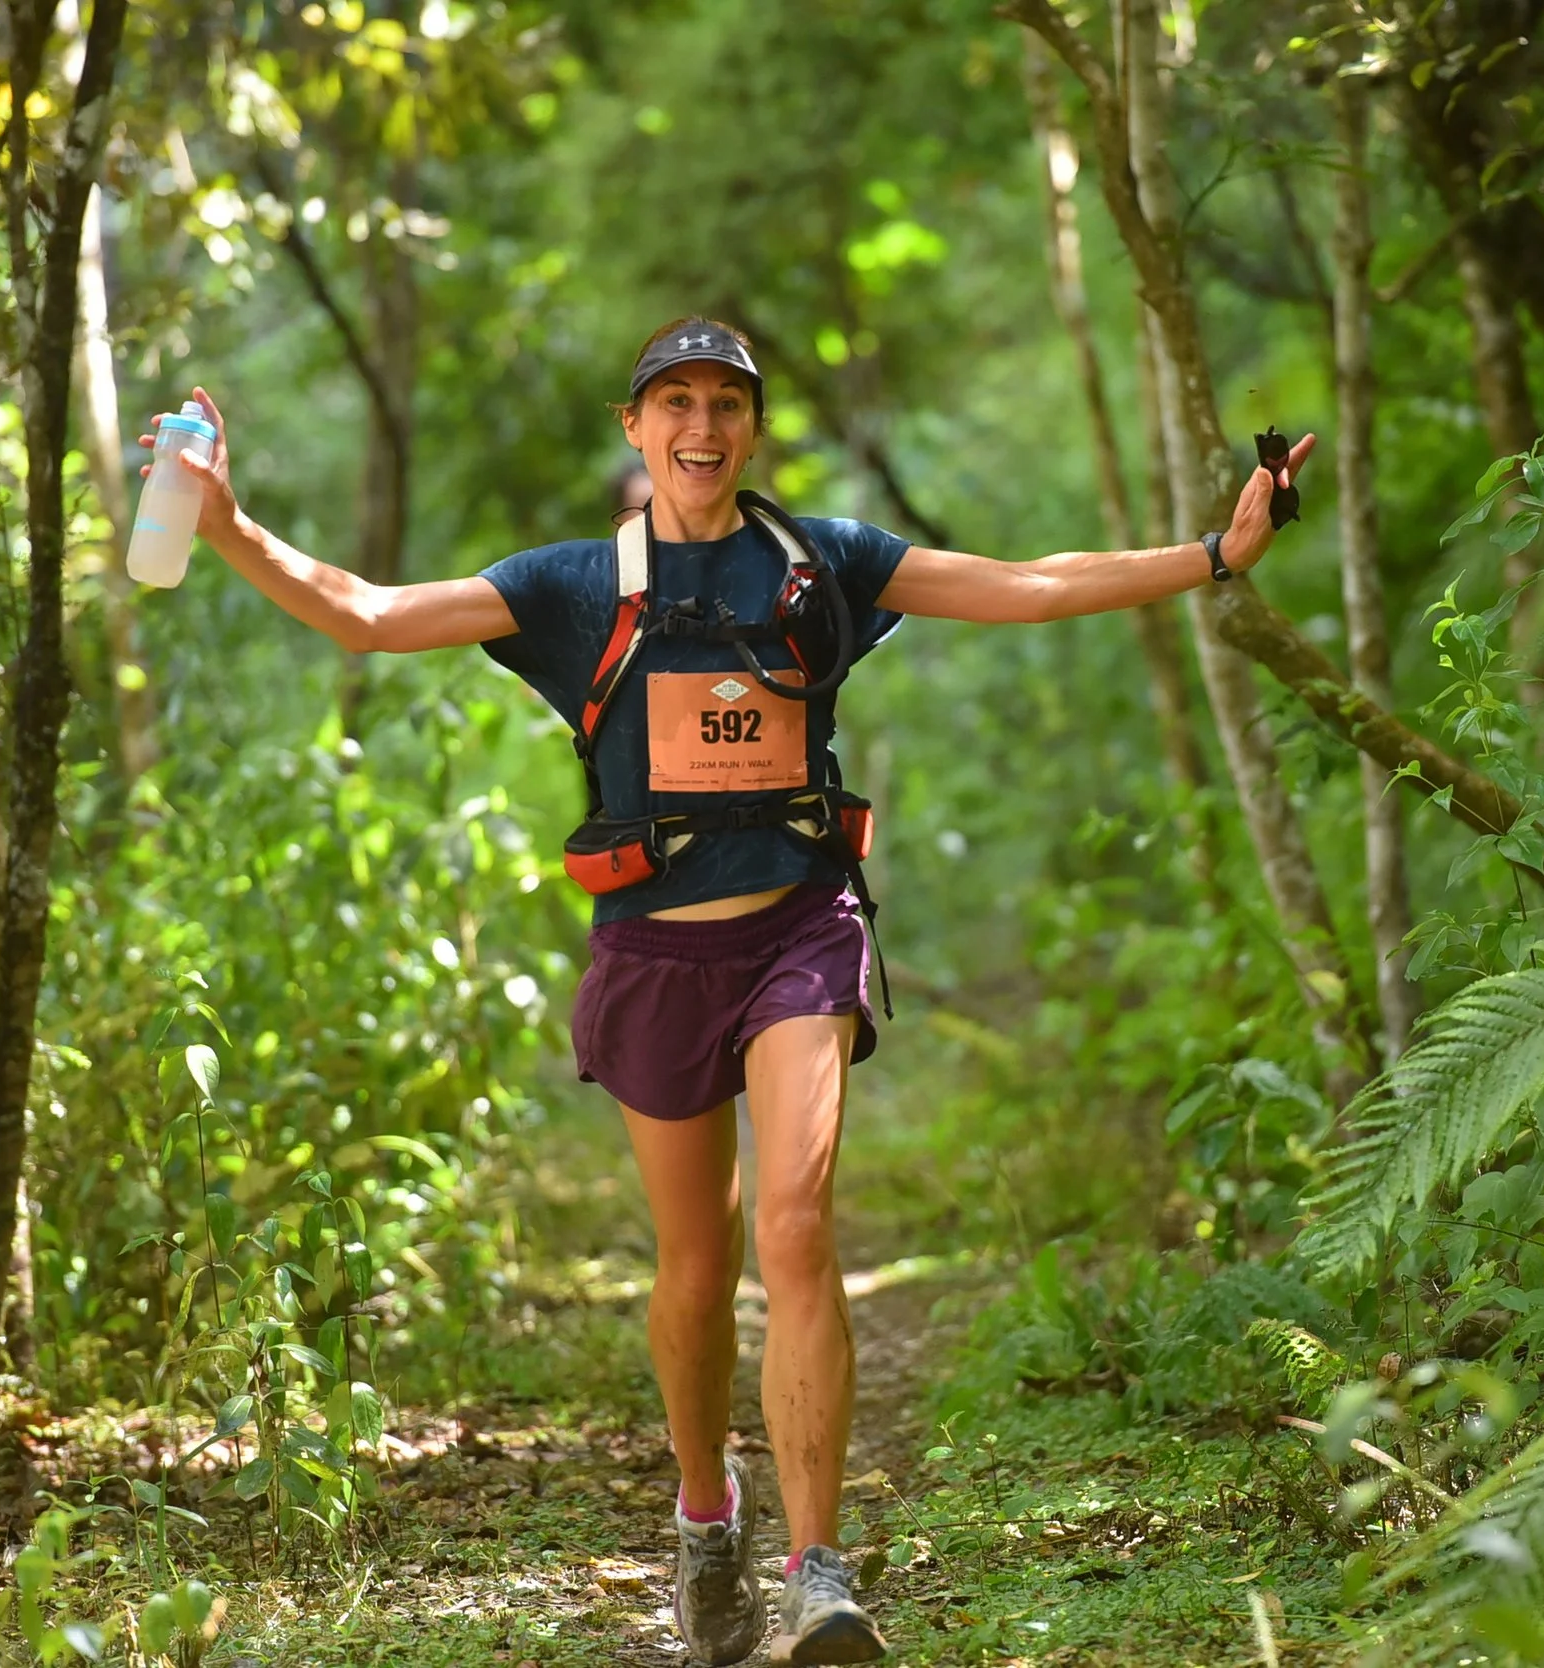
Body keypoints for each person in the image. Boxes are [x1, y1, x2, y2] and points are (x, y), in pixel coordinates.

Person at [145, 318, 1310, 1664]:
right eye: (674, 402)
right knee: (696, 1274)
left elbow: (1030, 584)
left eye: (727, 404)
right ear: (634, 429)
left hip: (800, 931)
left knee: (800, 1224)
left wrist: (1217, 553)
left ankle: (821, 1571)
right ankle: (709, 1514)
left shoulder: (824, 565)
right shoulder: (576, 584)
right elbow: (368, 617)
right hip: (655, 954)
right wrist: (224, 524)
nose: (702, 426)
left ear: (754, 431)